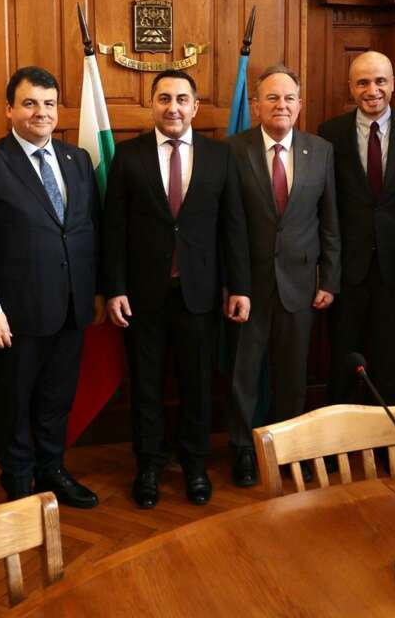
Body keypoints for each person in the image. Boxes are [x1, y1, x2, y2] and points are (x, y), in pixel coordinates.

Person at [0, 66, 103, 508]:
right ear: (9, 110)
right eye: (30, 103)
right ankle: (19, 485)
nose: (41, 112)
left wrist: (95, 293)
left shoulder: (77, 160)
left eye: (49, 103)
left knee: (57, 400)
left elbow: (89, 231)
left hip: (71, 307)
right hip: (14, 316)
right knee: (15, 405)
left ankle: (52, 469)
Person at [103, 69, 251, 508]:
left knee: (197, 384)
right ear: (152, 104)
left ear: (195, 106)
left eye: (182, 99)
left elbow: (234, 226)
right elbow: (113, 230)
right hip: (142, 296)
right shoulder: (127, 156)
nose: (173, 107)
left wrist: (238, 286)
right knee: (146, 386)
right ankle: (148, 465)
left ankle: (194, 464)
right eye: (164, 98)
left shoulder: (220, 156)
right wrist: (114, 288)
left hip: (200, 294)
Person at [227, 65, 339, 486]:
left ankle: (288, 449)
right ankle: (243, 450)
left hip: (301, 283)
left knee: (293, 375)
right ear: (256, 105)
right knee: (244, 374)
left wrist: (330, 279)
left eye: (289, 98)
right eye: (272, 98)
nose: (282, 105)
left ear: (300, 104)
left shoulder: (320, 151)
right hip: (249, 286)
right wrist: (233, 284)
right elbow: (227, 225)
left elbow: (330, 221)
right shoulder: (232, 150)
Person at [318, 51, 395, 408]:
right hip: (346, 267)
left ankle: (387, 434)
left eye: (380, 81)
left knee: (390, 359)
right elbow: (325, 205)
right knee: (343, 357)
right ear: (350, 87)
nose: (372, 90)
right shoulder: (330, 133)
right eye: (363, 82)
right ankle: (341, 431)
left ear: (393, 84)